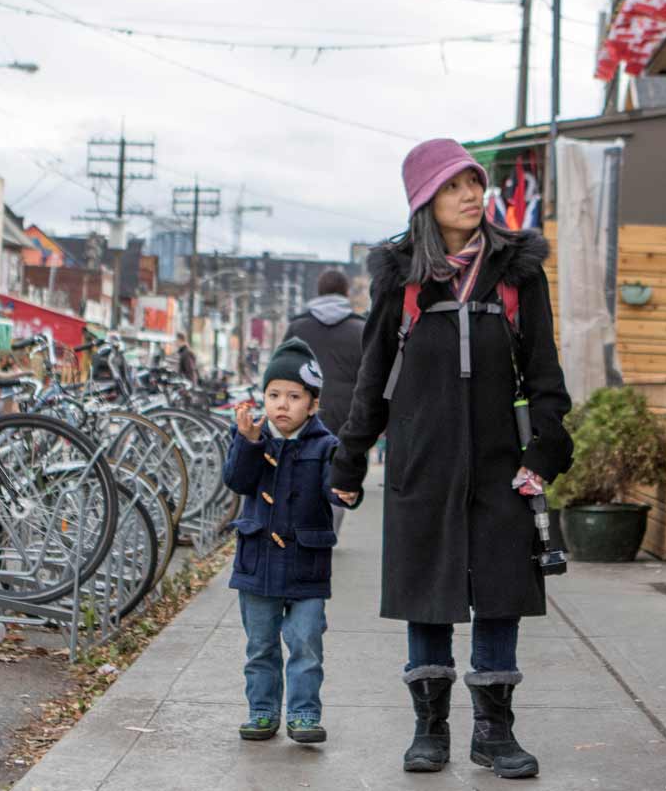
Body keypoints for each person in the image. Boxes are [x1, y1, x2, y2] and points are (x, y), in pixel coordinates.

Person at [330, 138, 573, 778]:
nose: (471, 194)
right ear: (424, 202)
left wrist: (544, 451)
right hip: (423, 463)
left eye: (474, 182)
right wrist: (350, 461)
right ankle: (429, 729)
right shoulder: (402, 277)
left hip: (501, 465)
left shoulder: (519, 273)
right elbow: (373, 373)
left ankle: (494, 733)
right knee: (428, 595)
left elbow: (546, 374)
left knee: (499, 594)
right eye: (453, 186)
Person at [223, 337, 355, 745]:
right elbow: (237, 481)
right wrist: (248, 443)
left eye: (294, 396)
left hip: (306, 565)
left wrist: (346, 492)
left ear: (313, 404)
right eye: (273, 394)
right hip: (257, 562)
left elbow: (336, 487)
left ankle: (303, 714)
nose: (282, 404)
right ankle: (262, 710)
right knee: (260, 646)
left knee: (306, 644)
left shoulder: (326, 445)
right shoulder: (252, 438)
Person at [284, 269, 365, 533]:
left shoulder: (298, 327)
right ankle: (329, 527)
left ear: (318, 291)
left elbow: (282, 368)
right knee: (338, 468)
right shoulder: (361, 328)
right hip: (348, 412)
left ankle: (301, 525)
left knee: (301, 466)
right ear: (345, 293)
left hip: (304, 408)